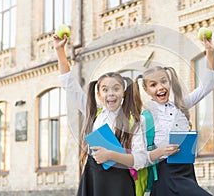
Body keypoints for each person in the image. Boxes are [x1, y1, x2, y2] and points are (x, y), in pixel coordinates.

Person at [53, 34, 148, 196]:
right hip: (93, 177)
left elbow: (141, 160)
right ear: (98, 94)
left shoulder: (137, 120)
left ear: (123, 93)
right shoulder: (94, 113)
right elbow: (68, 84)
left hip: (120, 182)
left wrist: (110, 155)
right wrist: (60, 50)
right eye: (105, 89)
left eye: (116, 88)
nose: (110, 93)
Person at [138, 34, 214, 196]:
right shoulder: (146, 117)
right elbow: (139, 155)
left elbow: (207, 86)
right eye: (153, 85)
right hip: (166, 174)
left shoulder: (180, 105)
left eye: (163, 81)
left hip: (186, 170)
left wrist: (210, 53)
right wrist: (161, 151)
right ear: (146, 90)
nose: (160, 87)